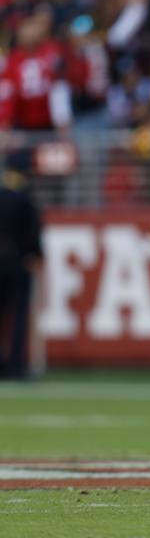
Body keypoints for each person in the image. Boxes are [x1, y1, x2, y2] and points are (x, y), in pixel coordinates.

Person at [0, 150, 43, 380]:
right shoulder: (24, 196)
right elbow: (32, 231)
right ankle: (15, 365)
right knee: (17, 316)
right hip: (16, 262)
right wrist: (36, 254)